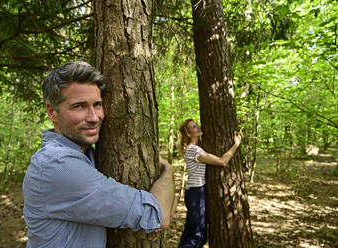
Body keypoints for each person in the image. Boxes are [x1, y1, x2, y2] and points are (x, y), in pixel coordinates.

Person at [22, 61, 175, 248]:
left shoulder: (86, 154)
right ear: (52, 112)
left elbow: (168, 206)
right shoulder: (58, 164)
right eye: (79, 106)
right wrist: (168, 171)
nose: (94, 117)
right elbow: (158, 215)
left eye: (97, 104)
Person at [178, 118, 241, 248]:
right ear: (189, 134)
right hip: (196, 193)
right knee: (198, 236)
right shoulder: (194, 150)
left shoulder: (196, 148)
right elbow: (222, 162)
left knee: (190, 232)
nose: (199, 127)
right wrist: (236, 145)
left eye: (197, 125)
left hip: (194, 192)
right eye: (194, 127)